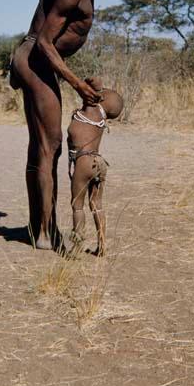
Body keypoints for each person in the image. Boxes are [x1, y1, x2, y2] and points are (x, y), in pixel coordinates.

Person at [10, 0, 133, 250]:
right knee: (50, 146)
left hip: (35, 58)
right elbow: (46, 43)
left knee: (40, 146)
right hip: (39, 61)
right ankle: (46, 231)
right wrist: (76, 83)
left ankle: (37, 226)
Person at [67, 77, 123, 256]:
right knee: (96, 204)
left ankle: (76, 248)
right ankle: (102, 245)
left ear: (100, 99)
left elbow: (94, 84)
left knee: (77, 206)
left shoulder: (92, 109)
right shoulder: (99, 117)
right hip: (98, 163)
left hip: (83, 163)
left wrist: (90, 82)